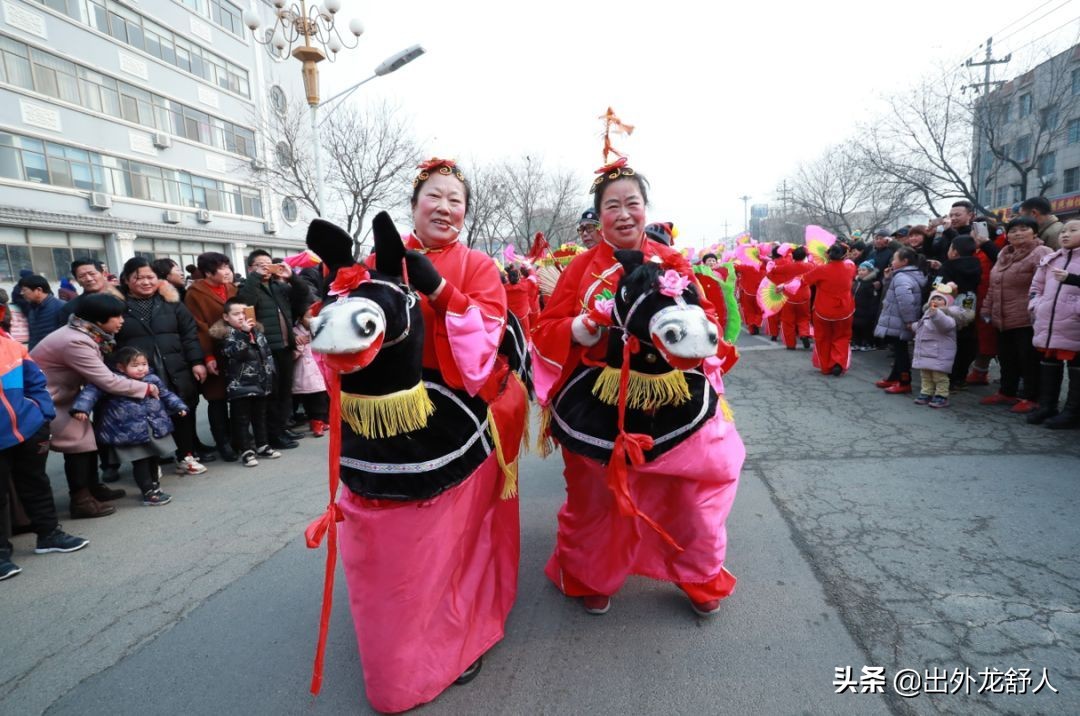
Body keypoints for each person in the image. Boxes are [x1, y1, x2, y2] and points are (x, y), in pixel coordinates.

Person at [322, 159, 523, 713]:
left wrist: (440, 292)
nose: (445, 207)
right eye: (434, 196)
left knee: (452, 539)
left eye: (456, 199)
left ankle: (458, 629)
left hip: (455, 402)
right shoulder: (374, 262)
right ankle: (395, 627)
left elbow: (490, 330)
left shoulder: (477, 264)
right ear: (413, 205)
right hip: (385, 410)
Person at [532, 157, 742, 618]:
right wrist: (580, 327)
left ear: (646, 208)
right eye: (612, 206)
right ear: (598, 215)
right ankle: (591, 575)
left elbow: (706, 319)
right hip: (598, 398)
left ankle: (699, 575)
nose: (624, 214)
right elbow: (546, 326)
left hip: (674, 394)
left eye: (632, 203)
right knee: (595, 500)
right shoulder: (581, 267)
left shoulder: (671, 261)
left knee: (692, 497)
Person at [30, 294, 155, 519]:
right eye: (116, 316)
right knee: (77, 442)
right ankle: (81, 500)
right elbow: (105, 380)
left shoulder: (86, 333)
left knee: (86, 439)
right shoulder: (75, 341)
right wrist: (143, 388)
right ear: (98, 320)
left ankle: (92, 488)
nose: (121, 320)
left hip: (62, 395)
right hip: (45, 399)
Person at [0, 333, 89, 581]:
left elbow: (36, 381)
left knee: (36, 483)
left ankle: (49, 535)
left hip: (29, 428)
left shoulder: (11, 345)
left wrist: (42, 415)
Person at [114, 257, 211, 474]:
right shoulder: (118, 306)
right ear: (127, 280)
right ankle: (151, 463)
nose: (146, 282)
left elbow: (189, 335)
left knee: (183, 412)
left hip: (176, 367)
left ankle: (186, 456)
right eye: (139, 278)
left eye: (151, 277)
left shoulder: (172, 302)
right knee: (144, 417)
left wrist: (197, 362)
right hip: (138, 373)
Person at [71, 347, 188, 505]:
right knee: (140, 461)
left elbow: (166, 394)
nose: (141, 368)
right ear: (121, 367)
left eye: (144, 364)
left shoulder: (152, 379)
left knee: (154, 457)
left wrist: (179, 406)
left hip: (153, 427)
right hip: (129, 430)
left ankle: (155, 487)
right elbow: (91, 392)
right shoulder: (113, 381)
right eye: (135, 365)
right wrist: (81, 408)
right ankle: (148, 493)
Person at [236, 251, 309, 450]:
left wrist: (291, 276)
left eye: (269, 263)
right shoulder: (247, 287)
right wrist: (255, 277)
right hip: (266, 348)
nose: (266, 267)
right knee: (272, 393)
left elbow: (304, 295)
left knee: (286, 390)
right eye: (260, 264)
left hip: (285, 345)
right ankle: (273, 434)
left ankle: (283, 427)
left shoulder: (279, 286)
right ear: (250, 268)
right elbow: (246, 303)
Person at [979, 216, 1053, 413]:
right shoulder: (1004, 253)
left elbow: (1048, 284)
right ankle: (1006, 392)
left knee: (1028, 360)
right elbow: (994, 286)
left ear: (1035, 232)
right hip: (1002, 317)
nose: (1018, 233)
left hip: (1027, 317)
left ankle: (1031, 397)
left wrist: (1038, 308)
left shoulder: (1042, 252)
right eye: (1013, 230)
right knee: (1007, 357)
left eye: (1024, 229)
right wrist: (987, 309)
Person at [183, 252, 239, 461]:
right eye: (222, 268)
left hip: (235, 351)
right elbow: (198, 328)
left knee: (237, 396)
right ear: (207, 272)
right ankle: (222, 442)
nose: (227, 272)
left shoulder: (232, 288)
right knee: (217, 399)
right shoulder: (194, 293)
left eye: (227, 267)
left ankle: (237, 438)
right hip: (214, 351)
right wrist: (207, 356)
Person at [1026, 218, 1080, 428]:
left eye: (1073, 230)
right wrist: (1036, 305)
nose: (1065, 234)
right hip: (1049, 321)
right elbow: (1036, 286)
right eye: (1063, 231)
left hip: (1074, 323)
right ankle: (1047, 405)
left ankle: (1073, 412)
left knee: (1076, 366)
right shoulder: (1052, 259)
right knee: (1049, 363)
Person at [211, 299, 279, 467]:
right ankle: (245, 450)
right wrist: (243, 334)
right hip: (239, 384)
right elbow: (233, 354)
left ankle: (262, 444)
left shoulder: (257, 331)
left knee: (260, 415)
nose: (241, 317)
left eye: (244, 313)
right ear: (226, 317)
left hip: (261, 381)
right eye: (236, 314)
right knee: (241, 419)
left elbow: (267, 354)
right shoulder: (226, 335)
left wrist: (271, 373)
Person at [874, 247, 927, 394]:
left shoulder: (902, 277)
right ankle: (893, 377)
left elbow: (905, 300)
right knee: (899, 350)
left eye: (895, 259)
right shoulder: (903, 274)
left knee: (901, 351)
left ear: (904, 261)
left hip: (901, 321)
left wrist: (909, 321)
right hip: (900, 320)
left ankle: (904, 381)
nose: (892, 261)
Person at [803, 243, 856, 375]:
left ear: (828, 254)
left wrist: (784, 287)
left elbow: (803, 281)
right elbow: (849, 261)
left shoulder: (821, 270)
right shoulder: (850, 268)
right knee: (842, 336)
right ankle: (838, 362)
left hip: (823, 310)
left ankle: (826, 366)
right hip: (845, 310)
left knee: (823, 337)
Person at [912, 285, 959, 408]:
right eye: (934, 298)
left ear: (946, 302)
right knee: (925, 374)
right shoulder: (928, 313)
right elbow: (923, 326)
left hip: (939, 352)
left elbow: (945, 325)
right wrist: (914, 326)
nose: (936, 301)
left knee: (939, 376)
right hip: (927, 350)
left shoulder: (948, 315)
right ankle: (926, 392)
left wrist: (936, 314)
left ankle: (941, 395)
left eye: (940, 299)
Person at [290, 309, 328, 438]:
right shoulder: (295, 332)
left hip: (319, 368)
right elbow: (292, 354)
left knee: (321, 396)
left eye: (315, 316)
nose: (312, 320)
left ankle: (320, 421)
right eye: (308, 317)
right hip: (304, 370)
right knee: (309, 398)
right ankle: (315, 422)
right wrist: (299, 346)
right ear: (300, 319)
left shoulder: (319, 329)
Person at [767, 245, 814, 350]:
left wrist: (770, 263)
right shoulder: (810, 266)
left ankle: (790, 344)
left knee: (788, 321)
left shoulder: (788, 266)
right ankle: (804, 333)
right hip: (805, 295)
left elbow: (773, 271)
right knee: (804, 317)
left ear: (793, 256)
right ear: (804, 256)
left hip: (790, 296)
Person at [20, 275, 67, 350]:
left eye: (24, 290)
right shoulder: (32, 310)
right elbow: (33, 337)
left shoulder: (61, 307)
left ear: (39, 290)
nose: (22, 293)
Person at [851, 260, 880, 350]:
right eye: (859, 270)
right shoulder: (857, 282)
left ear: (869, 271)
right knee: (856, 326)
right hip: (856, 308)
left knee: (865, 328)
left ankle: (867, 344)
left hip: (865, 310)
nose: (861, 272)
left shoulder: (870, 284)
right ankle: (857, 343)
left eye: (864, 270)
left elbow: (873, 299)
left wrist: (871, 311)